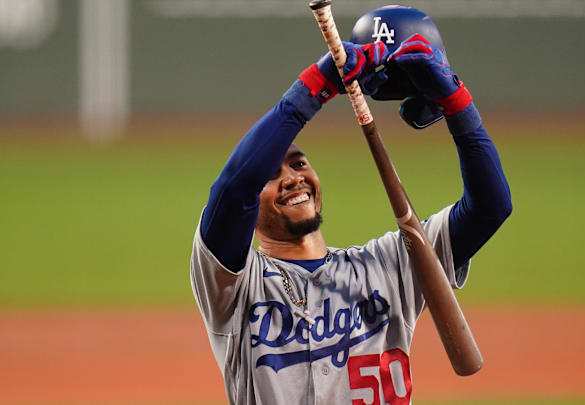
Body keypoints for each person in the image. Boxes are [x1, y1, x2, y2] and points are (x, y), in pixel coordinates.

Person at [191, 6, 512, 405]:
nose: (291, 178)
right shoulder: (234, 287)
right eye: (270, 176)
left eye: (299, 163)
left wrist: (456, 102)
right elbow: (235, 187)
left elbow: (490, 207)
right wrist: (316, 86)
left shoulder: (391, 266)